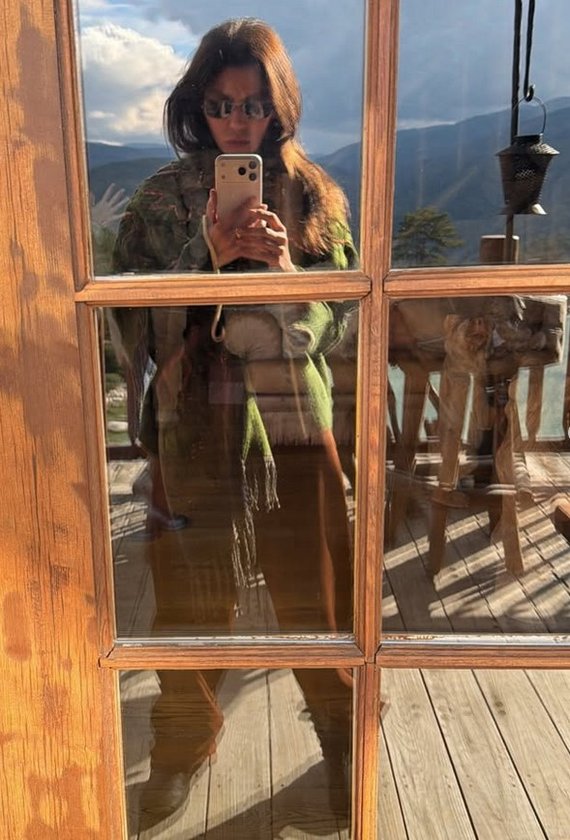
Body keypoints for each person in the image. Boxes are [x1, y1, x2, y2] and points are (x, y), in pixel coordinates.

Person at [112, 17, 357, 831]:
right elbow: (128, 322)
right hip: (192, 424)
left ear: (278, 107)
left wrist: (286, 273)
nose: (238, 121)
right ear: (198, 105)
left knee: (319, 592)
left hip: (293, 420)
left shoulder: (316, 196)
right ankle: (184, 739)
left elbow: (344, 315)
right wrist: (205, 261)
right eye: (221, 104)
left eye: (254, 105)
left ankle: (340, 734)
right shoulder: (157, 201)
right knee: (189, 594)